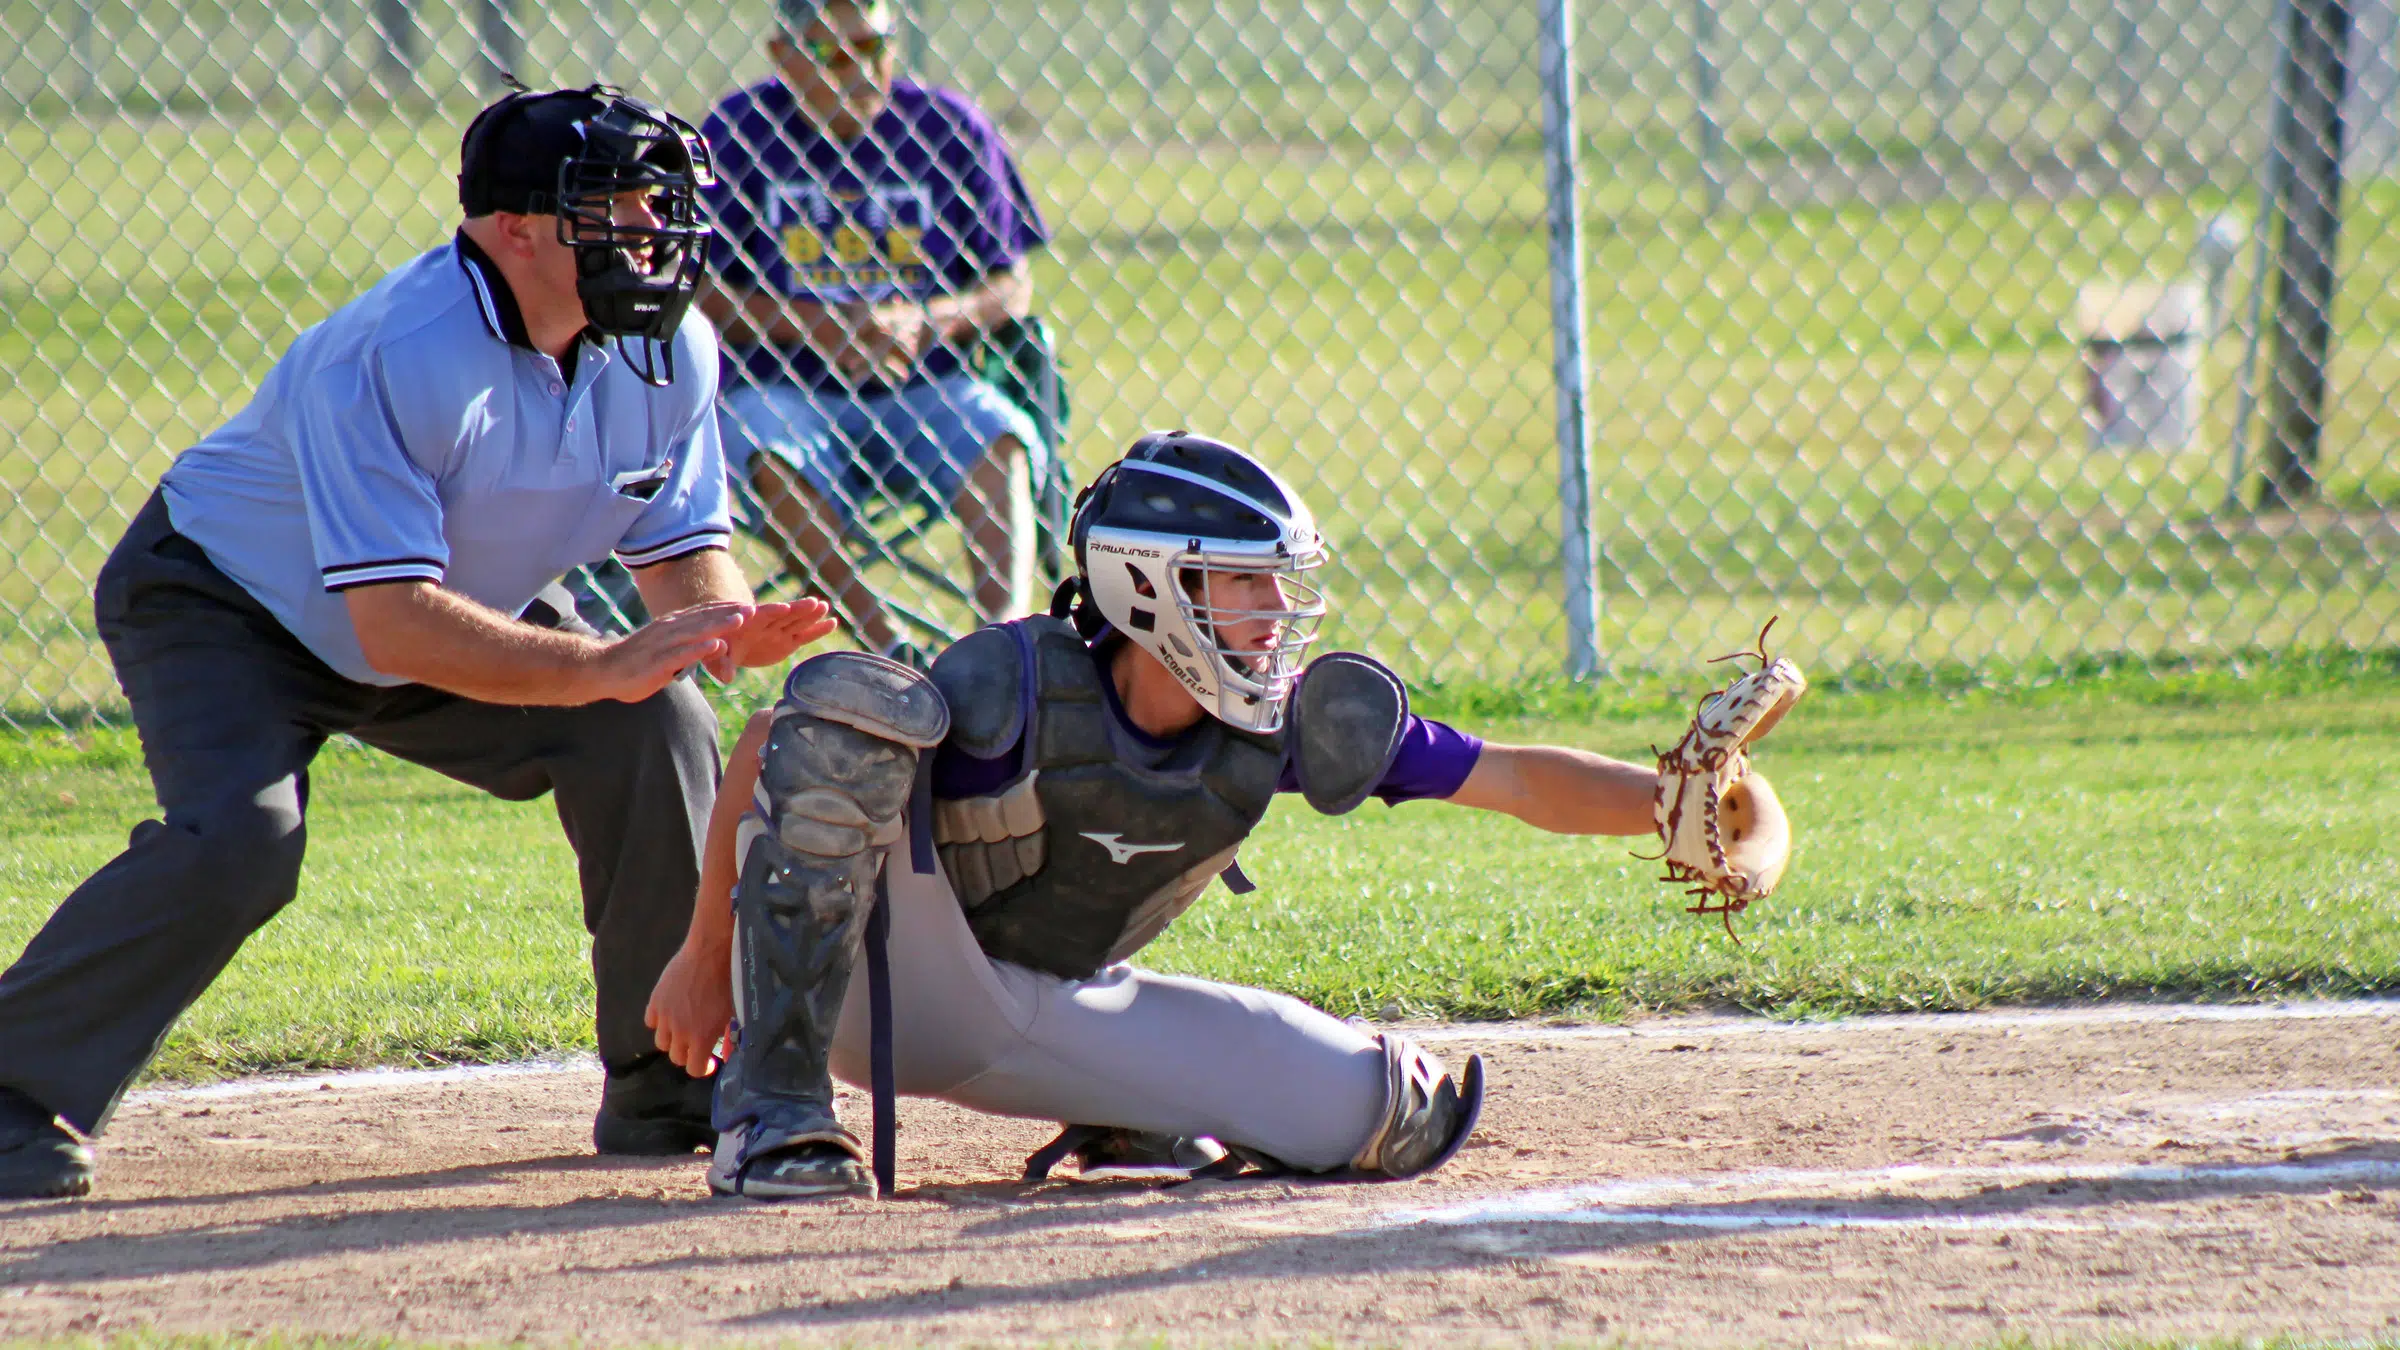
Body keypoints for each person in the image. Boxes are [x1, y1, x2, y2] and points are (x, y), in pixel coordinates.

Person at [0, 85, 843, 1201]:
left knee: (656, 724)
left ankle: (668, 1080)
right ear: (516, 229)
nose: (653, 232)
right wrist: (595, 666)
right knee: (241, 842)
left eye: (659, 204)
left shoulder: (669, 347)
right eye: (620, 207)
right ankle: (13, 1092)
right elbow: (390, 621)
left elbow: (678, 544)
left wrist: (723, 621)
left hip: (443, 608)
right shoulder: (397, 352)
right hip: (227, 604)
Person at [644, 432, 1791, 1199]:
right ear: (1153, 583)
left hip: (1048, 1005)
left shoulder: (1287, 721)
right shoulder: (1012, 687)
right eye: (1249, 586)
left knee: (1378, 1114)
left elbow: (1513, 778)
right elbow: (772, 746)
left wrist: (1668, 806)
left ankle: (1120, 1105)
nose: (1277, 616)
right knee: (852, 718)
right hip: (881, 988)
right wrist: (704, 957)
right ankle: (775, 1118)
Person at [697, 0, 1052, 665]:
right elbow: (696, 289)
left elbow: (1012, 284)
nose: (860, 70)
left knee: (999, 434)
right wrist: (812, 327)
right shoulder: (739, 132)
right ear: (784, 57)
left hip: (925, 383)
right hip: (786, 386)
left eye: (875, 46)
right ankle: (890, 651)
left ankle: (1004, 653)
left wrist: (929, 321)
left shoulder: (947, 128)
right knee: (766, 448)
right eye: (834, 53)